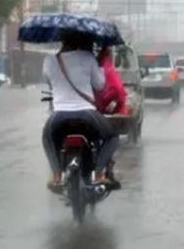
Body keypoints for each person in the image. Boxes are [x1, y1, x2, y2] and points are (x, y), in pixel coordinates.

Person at [42, 30, 119, 191]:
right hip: (88, 115)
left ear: (62, 41)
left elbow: (49, 82)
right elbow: (100, 85)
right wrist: (102, 70)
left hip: (59, 117)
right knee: (112, 137)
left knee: (47, 138)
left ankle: (56, 175)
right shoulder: (88, 58)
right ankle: (99, 174)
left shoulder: (50, 60)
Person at [95, 47, 128, 115]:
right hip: (116, 109)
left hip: (113, 110)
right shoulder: (106, 66)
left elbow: (116, 89)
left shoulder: (104, 67)